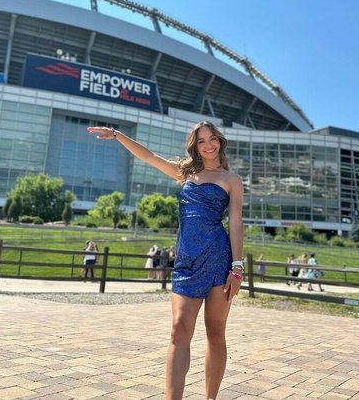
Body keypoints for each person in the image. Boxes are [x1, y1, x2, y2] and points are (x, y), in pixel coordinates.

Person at [87, 121, 244, 400]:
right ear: (195, 146)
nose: (208, 145)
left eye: (212, 139)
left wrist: (237, 268)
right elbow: (148, 156)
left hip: (219, 260)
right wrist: (117, 135)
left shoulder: (231, 180)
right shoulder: (186, 173)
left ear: (220, 141)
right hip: (186, 261)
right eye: (201, 141)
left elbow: (235, 224)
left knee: (215, 332)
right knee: (178, 329)